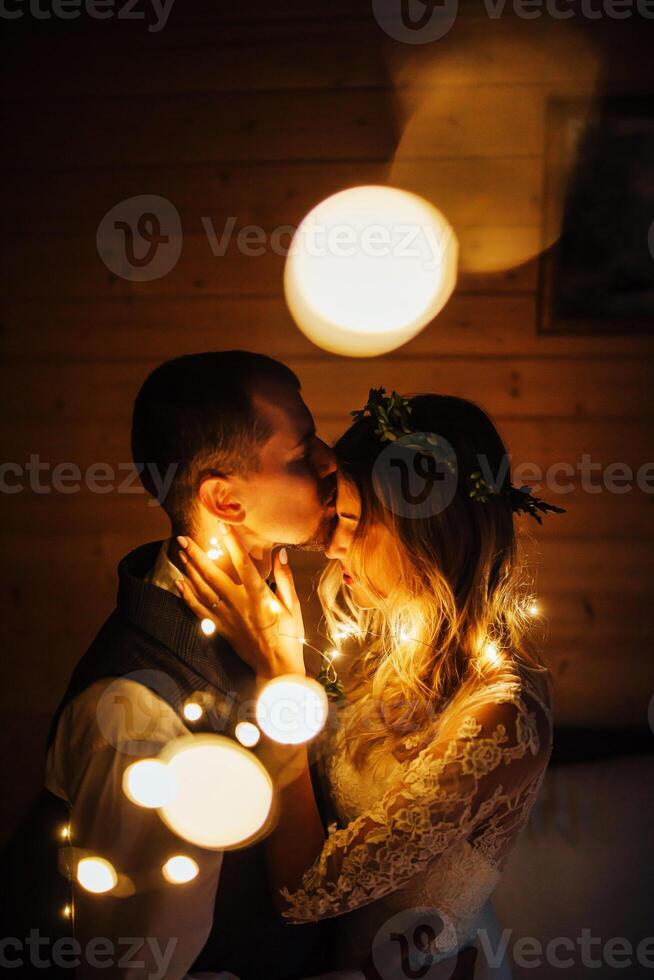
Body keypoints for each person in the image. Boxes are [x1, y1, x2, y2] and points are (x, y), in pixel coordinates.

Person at [176, 389, 560, 980]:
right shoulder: (389, 641)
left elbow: (303, 894)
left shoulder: (499, 717)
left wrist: (280, 674)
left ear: (427, 530)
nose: (331, 543)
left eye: (353, 522)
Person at [43, 350, 338, 979]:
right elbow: (137, 968)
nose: (329, 460)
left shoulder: (282, 618)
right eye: (302, 449)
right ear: (225, 499)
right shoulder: (134, 717)